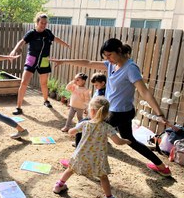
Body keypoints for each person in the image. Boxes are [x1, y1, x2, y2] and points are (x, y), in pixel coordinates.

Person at [52, 38, 173, 176]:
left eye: (110, 55)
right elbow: (88, 63)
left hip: (118, 113)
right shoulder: (111, 65)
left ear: (119, 51)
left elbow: (144, 92)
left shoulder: (130, 68)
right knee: (130, 139)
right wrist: (63, 61)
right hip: (122, 111)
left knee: (84, 126)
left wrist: (159, 114)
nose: (108, 59)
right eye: (105, 56)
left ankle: (75, 163)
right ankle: (162, 167)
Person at [53, 96, 131, 198]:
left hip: (81, 155)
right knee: (103, 177)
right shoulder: (107, 128)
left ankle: (58, 186)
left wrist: (72, 129)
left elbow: (71, 132)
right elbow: (117, 141)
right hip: (98, 159)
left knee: (71, 169)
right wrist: (126, 141)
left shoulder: (84, 124)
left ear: (92, 110)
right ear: (106, 113)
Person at [9, 12, 70, 115]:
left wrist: (66, 44)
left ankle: (46, 100)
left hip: (44, 60)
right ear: (37, 22)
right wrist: (14, 50)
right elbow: (22, 41)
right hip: (32, 59)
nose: (43, 25)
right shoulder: (31, 33)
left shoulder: (48, 33)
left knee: (43, 83)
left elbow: (55, 38)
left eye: (45, 23)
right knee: (24, 82)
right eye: (42, 22)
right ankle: (18, 107)